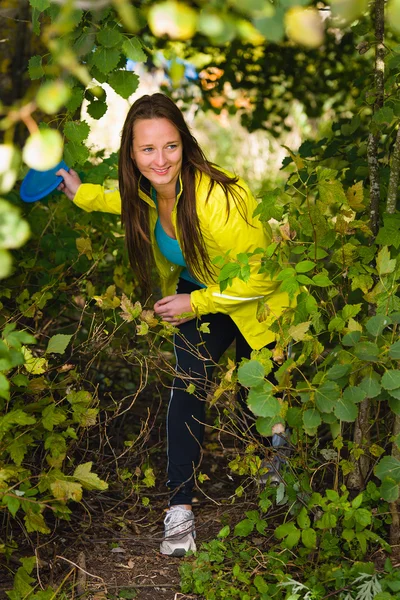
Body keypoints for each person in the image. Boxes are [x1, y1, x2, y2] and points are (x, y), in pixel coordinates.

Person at [57, 93, 291, 557]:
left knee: (256, 403)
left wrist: (196, 302)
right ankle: (180, 512)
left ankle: (283, 481)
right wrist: (80, 192)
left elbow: (262, 277)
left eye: (169, 146)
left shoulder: (216, 198)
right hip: (202, 288)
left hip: (256, 300)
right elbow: (118, 200)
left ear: (184, 143)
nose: (160, 159)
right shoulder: (145, 189)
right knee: (187, 387)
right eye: (147, 149)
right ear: (131, 153)